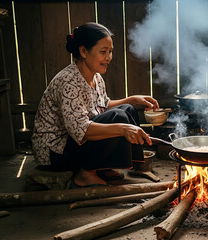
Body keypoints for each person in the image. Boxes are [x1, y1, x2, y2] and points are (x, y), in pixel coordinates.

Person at [31, 22, 159, 188]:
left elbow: (104, 106)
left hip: (74, 143)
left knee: (127, 110)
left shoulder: (96, 77)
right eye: (103, 52)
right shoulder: (69, 82)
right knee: (119, 118)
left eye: (110, 51)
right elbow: (81, 130)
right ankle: (85, 174)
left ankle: (104, 167)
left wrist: (132, 100)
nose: (109, 57)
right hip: (55, 152)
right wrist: (122, 128)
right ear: (83, 51)